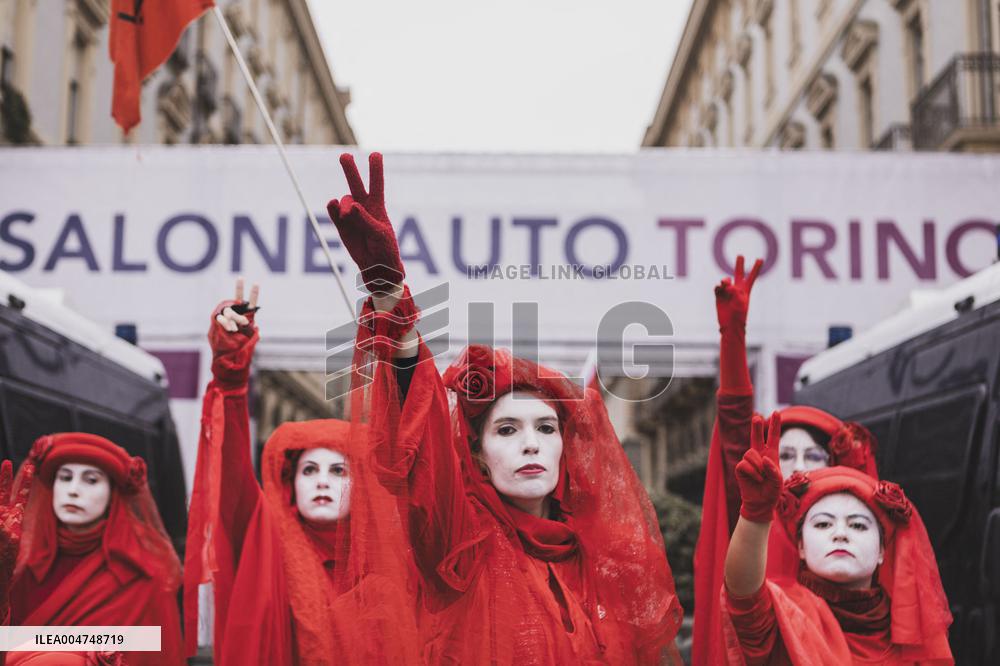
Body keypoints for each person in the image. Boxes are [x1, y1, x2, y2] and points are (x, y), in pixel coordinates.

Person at [326, 152, 683, 664]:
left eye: (545, 428)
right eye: (508, 430)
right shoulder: (459, 547)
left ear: (567, 446)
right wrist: (391, 299)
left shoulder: (601, 560)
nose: (531, 442)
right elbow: (420, 444)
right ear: (477, 453)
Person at [182, 280, 419, 665]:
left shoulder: (388, 564)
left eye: (338, 470)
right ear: (291, 484)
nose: (323, 480)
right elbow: (231, 469)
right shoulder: (262, 540)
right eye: (309, 470)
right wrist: (231, 374)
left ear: (361, 486)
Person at [692, 257, 878, 665]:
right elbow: (735, 421)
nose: (797, 465)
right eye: (786, 454)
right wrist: (733, 337)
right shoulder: (757, 507)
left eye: (811, 454)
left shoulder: (852, 519)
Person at [721, 411, 953, 664]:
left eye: (858, 525)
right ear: (800, 546)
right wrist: (755, 512)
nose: (840, 534)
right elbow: (743, 597)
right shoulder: (782, 617)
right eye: (823, 524)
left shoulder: (911, 638)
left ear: (881, 552)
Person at [0, 433, 184, 665]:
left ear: (111, 495)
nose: (74, 490)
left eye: (91, 480)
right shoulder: (21, 565)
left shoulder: (144, 576)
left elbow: (156, 653)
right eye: (65, 477)